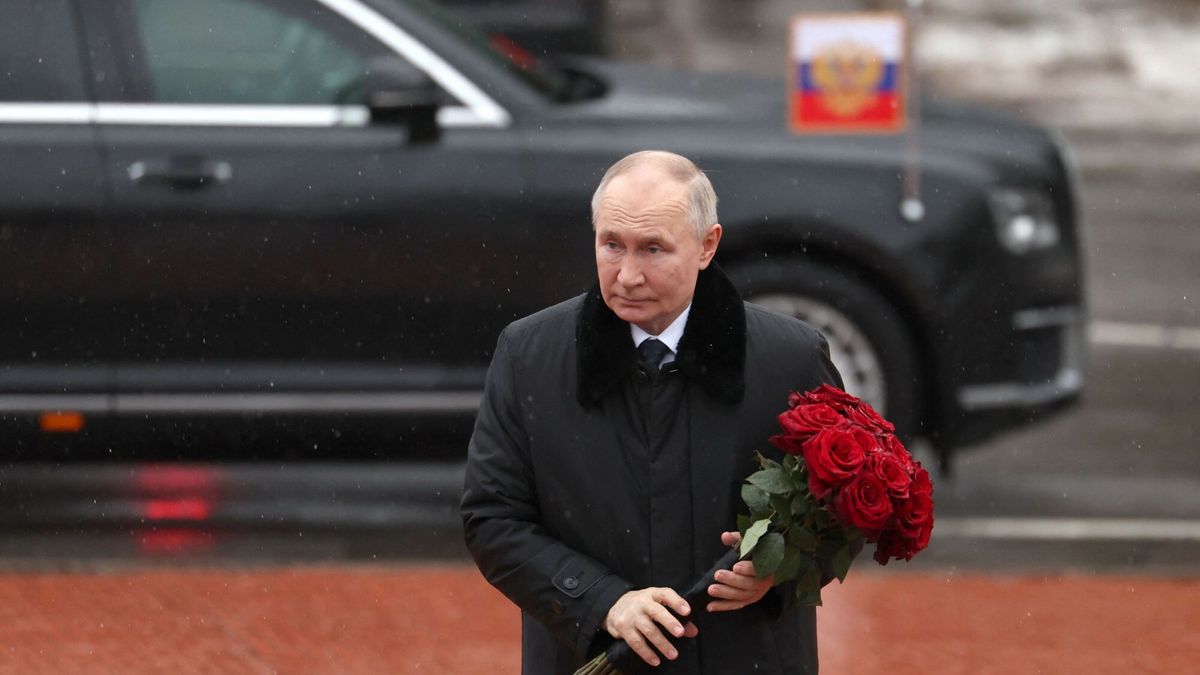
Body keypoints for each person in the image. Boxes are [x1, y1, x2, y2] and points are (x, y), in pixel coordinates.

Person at [461, 150, 843, 674]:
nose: (627, 275)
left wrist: (780, 571)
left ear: (707, 245)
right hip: (589, 657)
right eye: (612, 245)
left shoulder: (791, 357)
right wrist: (603, 602)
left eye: (654, 249)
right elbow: (492, 518)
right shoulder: (528, 354)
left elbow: (845, 506)